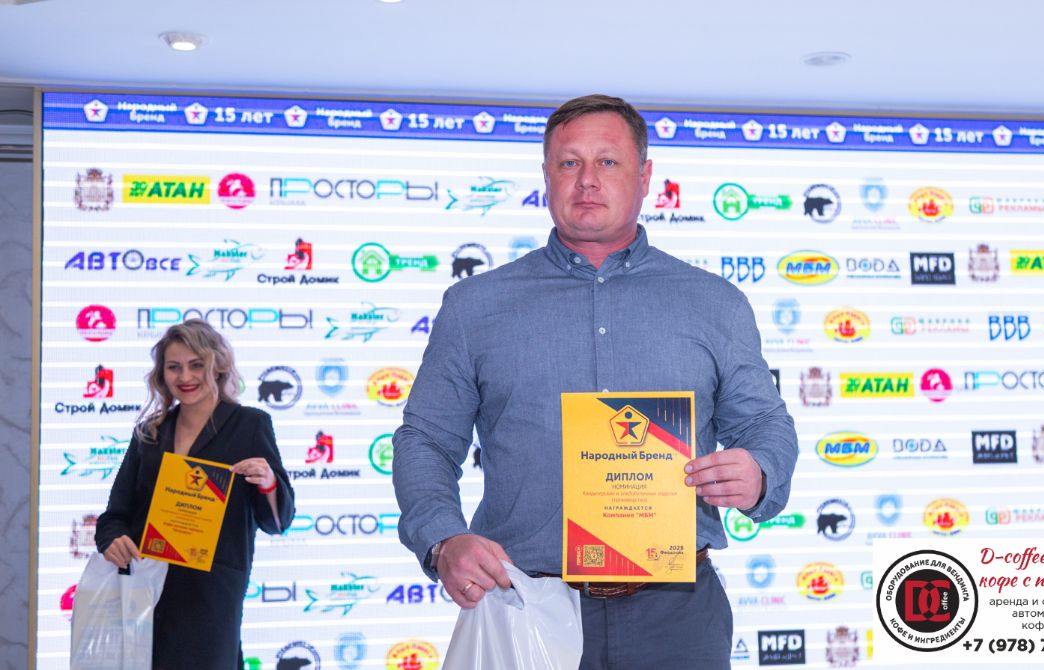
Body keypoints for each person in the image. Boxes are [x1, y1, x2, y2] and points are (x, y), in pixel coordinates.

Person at [392, 94, 798, 668]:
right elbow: (425, 440)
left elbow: (765, 424)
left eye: (607, 161)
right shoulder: (473, 307)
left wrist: (759, 472)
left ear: (645, 177)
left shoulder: (715, 304)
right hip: (526, 607)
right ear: (545, 176)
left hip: (678, 617)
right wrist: (442, 540)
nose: (587, 180)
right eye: (569, 163)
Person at [95, 319, 295, 670]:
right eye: (174, 367)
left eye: (196, 365)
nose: (185, 376)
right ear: (162, 374)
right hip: (146, 594)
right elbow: (115, 514)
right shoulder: (149, 433)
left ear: (217, 366)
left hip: (211, 600)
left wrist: (267, 483)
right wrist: (112, 539)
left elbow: (277, 522)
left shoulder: (250, 424)